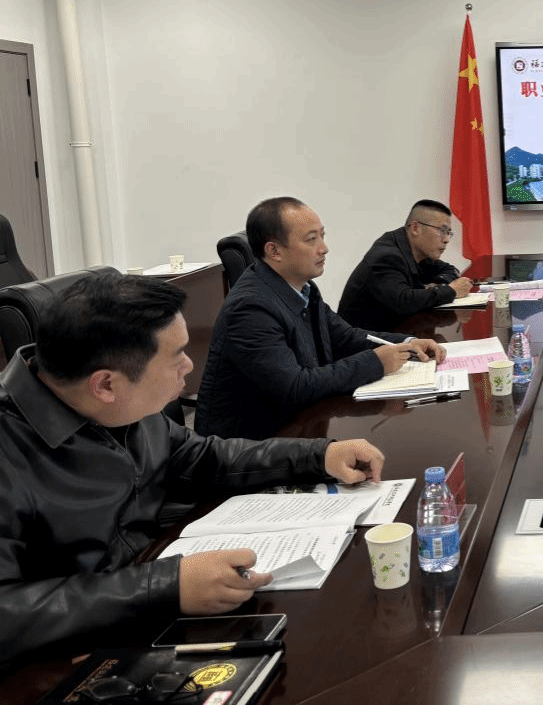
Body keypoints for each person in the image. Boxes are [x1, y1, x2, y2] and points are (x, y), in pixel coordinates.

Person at [0, 273, 387, 666]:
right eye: (176, 356)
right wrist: (166, 586)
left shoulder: (122, 406)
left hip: (152, 609)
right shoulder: (8, 448)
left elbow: (204, 456)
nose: (189, 365)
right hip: (62, 660)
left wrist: (317, 456)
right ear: (105, 386)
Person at [196, 197, 445, 440]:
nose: (324, 248)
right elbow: (294, 387)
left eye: (322, 236)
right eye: (311, 239)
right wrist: (376, 363)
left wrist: (406, 342)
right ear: (274, 251)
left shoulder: (303, 288)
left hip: (299, 426)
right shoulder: (250, 309)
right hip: (249, 446)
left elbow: (345, 337)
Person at [338, 199, 474, 331]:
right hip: (363, 342)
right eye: (441, 231)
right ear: (415, 228)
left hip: (396, 332)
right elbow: (404, 301)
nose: (446, 240)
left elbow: (450, 270)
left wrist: (438, 285)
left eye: (449, 233)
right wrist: (450, 291)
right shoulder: (387, 256)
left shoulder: (417, 252)